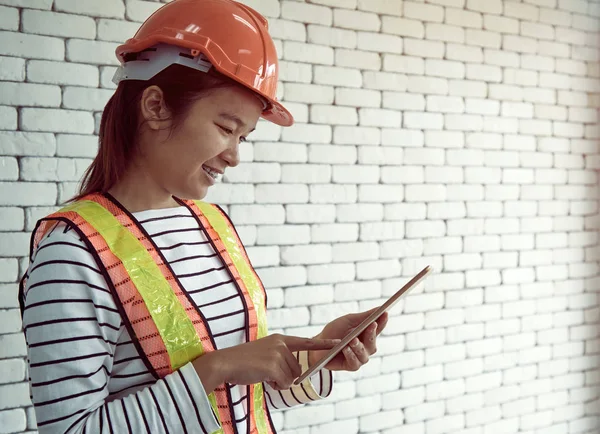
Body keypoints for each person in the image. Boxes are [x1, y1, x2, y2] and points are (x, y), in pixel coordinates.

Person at [18, 0, 389, 432]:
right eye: (225, 128)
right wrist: (217, 368)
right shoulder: (72, 254)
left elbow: (237, 399)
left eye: (244, 137)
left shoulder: (213, 226)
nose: (233, 156)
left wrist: (314, 357)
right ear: (155, 107)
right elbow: (69, 429)